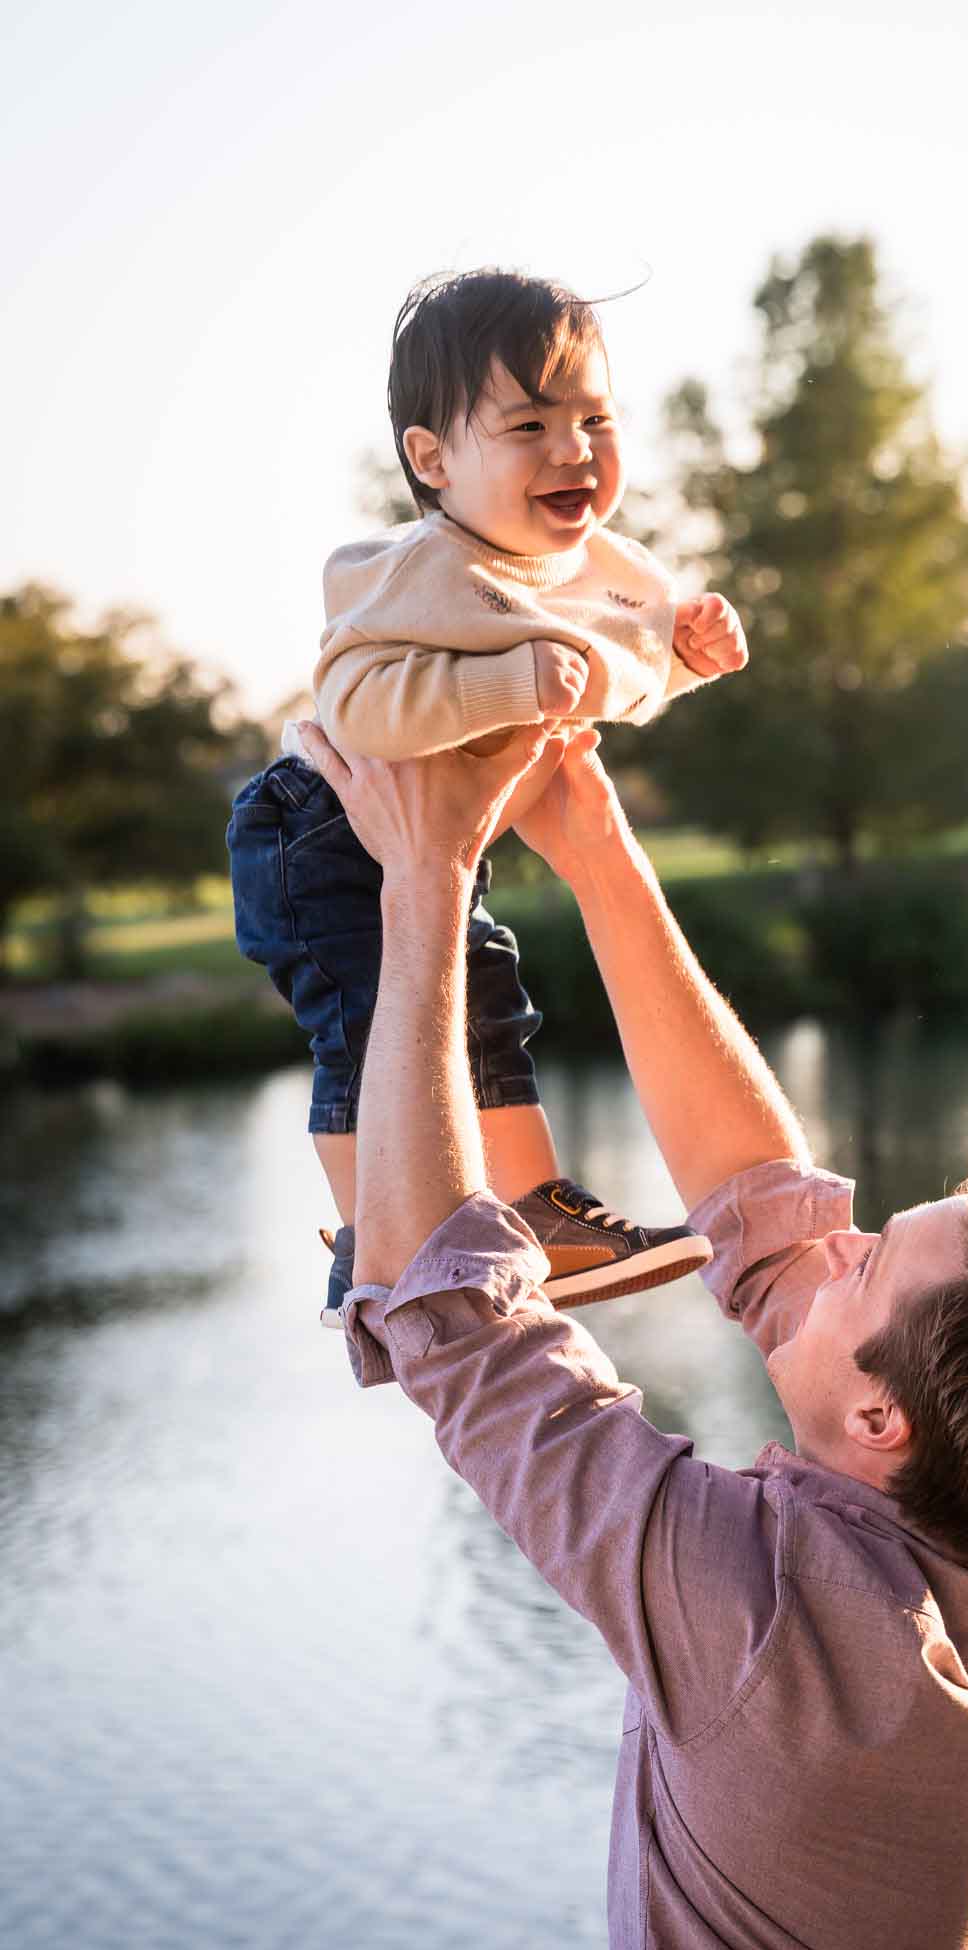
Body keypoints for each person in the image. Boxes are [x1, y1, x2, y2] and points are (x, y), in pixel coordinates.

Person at [295, 718, 968, 1950]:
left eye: (871, 1259)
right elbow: (774, 1217)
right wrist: (591, 836)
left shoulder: (765, 1624)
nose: (838, 1241)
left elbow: (457, 1320)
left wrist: (425, 881)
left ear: (884, 1419)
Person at [226, 268, 747, 1325]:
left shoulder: (573, 567)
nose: (574, 449)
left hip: (430, 844)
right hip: (318, 828)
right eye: (528, 424)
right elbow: (359, 706)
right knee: (371, 1028)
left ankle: (534, 1212)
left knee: (491, 1009)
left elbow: (608, 669)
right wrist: (504, 684)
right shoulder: (420, 571)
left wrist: (680, 658)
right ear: (432, 460)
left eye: (594, 417)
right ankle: (371, 1238)